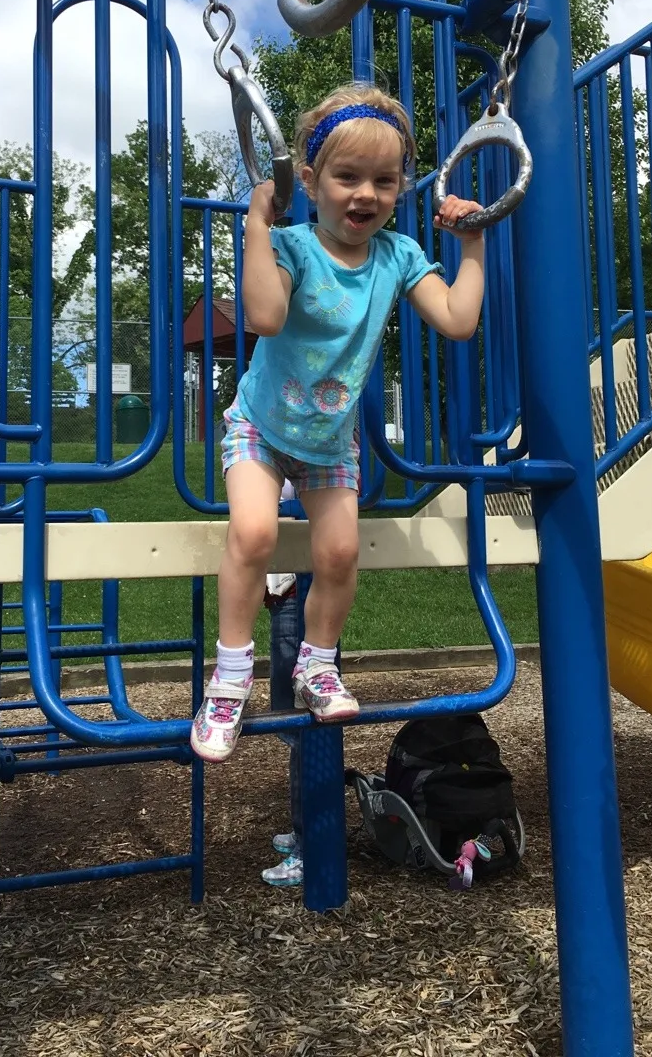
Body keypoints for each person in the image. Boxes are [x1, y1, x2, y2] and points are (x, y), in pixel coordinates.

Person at [191, 83, 485, 764]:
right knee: (255, 533)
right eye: (347, 177)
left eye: (384, 181)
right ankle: (230, 679)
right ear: (311, 182)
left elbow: (457, 320)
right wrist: (257, 225)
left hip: (328, 441)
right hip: (262, 427)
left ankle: (317, 665)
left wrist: (472, 246)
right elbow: (265, 318)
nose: (365, 194)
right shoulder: (293, 246)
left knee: (340, 553)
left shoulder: (398, 256)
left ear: (401, 188)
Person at [260, 479, 304, 888]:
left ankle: (310, 844)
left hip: (298, 590)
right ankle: (303, 829)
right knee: (294, 721)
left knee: (303, 725)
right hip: (286, 590)